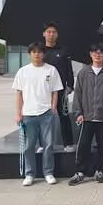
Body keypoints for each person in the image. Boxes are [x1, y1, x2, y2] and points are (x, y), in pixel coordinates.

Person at [69, 43, 103, 186]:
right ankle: (80, 172)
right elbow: (77, 94)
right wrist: (78, 113)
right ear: (90, 54)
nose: (98, 55)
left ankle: (100, 171)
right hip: (86, 117)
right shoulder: (84, 73)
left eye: (101, 53)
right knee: (83, 145)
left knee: (102, 146)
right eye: (95, 52)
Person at [13, 42, 63, 186]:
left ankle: (48, 173)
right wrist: (18, 113)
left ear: (44, 54)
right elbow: (19, 94)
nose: (37, 54)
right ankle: (29, 174)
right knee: (29, 146)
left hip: (46, 113)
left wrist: (53, 107)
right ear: (30, 53)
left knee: (48, 145)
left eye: (40, 52)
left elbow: (55, 91)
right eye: (34, 52)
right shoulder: (23, 71)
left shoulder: (51, 70)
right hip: (28, 113)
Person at [42, 22, 76, 152]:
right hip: (44, 90)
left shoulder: (63, 50)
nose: (51, 34)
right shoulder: (40, 50)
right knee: (44, 118)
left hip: (60, 90)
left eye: (54, 32)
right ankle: (43, 145)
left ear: (57, 34)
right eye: (49, 32)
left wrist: (70, 86)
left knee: (64, 116)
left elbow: (69, 69)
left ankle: (68, 143)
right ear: (44, 34)